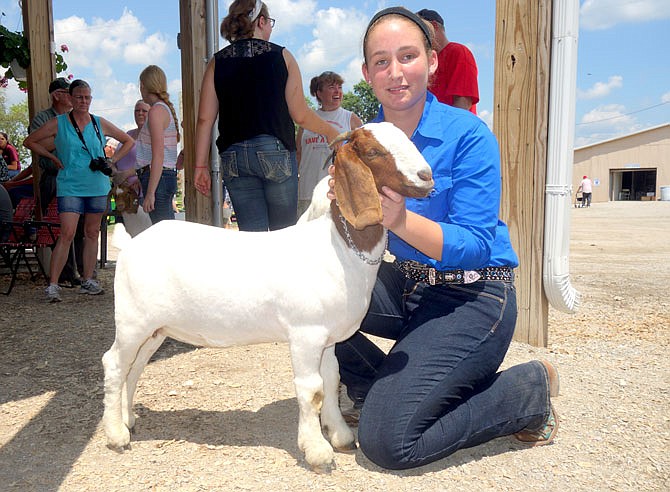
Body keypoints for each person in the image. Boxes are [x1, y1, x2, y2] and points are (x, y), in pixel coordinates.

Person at [331, 7, 559, 470]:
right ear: (367, 73)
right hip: (408, 284)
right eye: (381, 61)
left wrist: (397, 220)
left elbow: (476, 243)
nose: (395, 72)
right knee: (311, 296)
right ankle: (392, 390)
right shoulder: (360, 143)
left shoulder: (469, 134)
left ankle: (526, 392)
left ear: (433, 62)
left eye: (408, 56)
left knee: (387, 443)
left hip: (473, 293)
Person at [194, 0, 339, 231]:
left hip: (234, 157)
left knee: (253, 239)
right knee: (284, 234)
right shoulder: (282, 56)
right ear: (261, 21)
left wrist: (200, 166)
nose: (270, 28)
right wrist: (332, 132)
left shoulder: (216, 62)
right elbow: (300, 114)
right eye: (269, 22)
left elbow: (204, 120)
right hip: (275, 150)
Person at [23, 79, 134, 302]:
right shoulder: (59, 122)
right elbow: (30, 141)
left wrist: (112, 161)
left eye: (87, 97)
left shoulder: (98, 122)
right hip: (70, 185)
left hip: (97, 184)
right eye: (79, 97)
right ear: (71, 99)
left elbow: (128, 140)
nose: (84, 101)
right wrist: (52, 156)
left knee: (92, 233)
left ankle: (88, 280)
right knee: (67, 233)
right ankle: (53, 285)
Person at [296, 71, 363, 217]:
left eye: (339, 87)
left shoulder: (350, 119)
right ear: (319, 93)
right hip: (307, 192)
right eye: (332, 87)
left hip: (338, 193)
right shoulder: (307, 120)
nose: (337, 91)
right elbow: (298, 153)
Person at [136, 65, 180, 224]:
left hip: (157, 178)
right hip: (163, 177)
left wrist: (150, 193)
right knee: (165, 227)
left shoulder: (156, 111)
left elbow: (158, 155)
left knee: (163, 230)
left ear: (143, 85)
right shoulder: (164, 109)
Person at [416, 9, 479, 113]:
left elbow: (463, 104)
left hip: (453, 127)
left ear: (434, 26)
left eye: (421, 31)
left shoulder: (459, 52)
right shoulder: (425, 62)